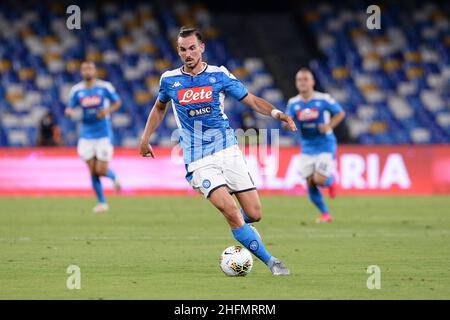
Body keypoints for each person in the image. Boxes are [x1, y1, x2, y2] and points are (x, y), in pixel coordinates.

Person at [139, 27, 297, 276]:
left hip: (228, 150)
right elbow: (159, 108)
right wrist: (145, 137)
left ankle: (242, 231)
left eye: (192, 47)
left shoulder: (219, 75)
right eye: (183, 49)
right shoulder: (169, 80)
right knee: (231, 211)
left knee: (254, 214)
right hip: (198, 159)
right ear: (178, 51)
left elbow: (252, 100)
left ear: (202, 48)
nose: (188, 53)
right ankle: (273, 262)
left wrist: (278, 114)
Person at [285, 68, 346, 223]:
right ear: (296, 83)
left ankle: (330, 182)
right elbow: (287, 122)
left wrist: (329, 126)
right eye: (299, 80)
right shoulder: (293, 103)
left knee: (319, 179)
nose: (302, 82)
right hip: (307, 146)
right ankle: (325, 214)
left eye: (306, 79)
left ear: (312, 82)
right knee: (310, 182)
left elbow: (340, 113)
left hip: (325, 144)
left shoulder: (324, 99)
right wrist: (288, 123)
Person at [65, 61, 122, 213]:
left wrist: (107, 111)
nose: (87, 71)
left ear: (95, 71)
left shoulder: (104, 87)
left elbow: (117, 102)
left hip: (103, 133)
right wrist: (70, 112)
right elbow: (70, 107)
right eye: (84, 69)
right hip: (86, 135)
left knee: (101, 169)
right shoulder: (77, 90)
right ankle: (102, 202)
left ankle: (114, 177)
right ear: (81, 72)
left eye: (90, 68)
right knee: (92, 171)